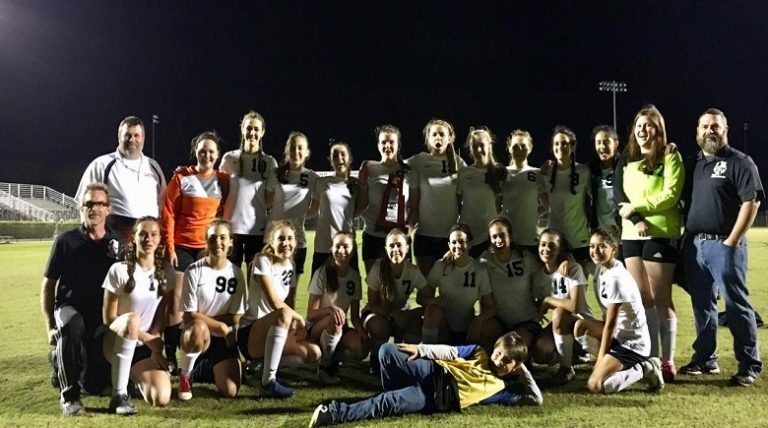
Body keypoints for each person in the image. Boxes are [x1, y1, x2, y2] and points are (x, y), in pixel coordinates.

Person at [679, 108, 763, 386]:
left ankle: (749, 364)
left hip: (724, 245)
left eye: (714, 126)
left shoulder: (740, 161)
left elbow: (752, 202)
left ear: (725, 130)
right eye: (704, 127)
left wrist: (732, 240)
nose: (709, 131)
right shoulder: (696, 164)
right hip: (695, 246)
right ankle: (706, 358)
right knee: (702, 306)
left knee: (737, 305)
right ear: (697, 133)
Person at [308, 332, 542, 427]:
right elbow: (450, 352)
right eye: (499, 353)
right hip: (433, 370)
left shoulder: (499, 390)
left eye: (507, 361)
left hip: (438, 395)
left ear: (514, 366)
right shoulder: (479, 351)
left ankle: (334, 413)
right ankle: (399, 392)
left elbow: (536, 399)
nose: (499, 360)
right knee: (386, 352)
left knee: (388, 403)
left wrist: (524, 371)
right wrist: (421, 350)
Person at [613, 105, 684, 382]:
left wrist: (636, 209)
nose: (643, 130)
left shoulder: (670, 157)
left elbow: (670, 195)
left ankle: (668, 361)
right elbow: (620, 197)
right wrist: (634, 215)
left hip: (660, 233)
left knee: (661, 297)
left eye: (649, 125)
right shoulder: (627, 159)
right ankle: (651, 357)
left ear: (659, 129)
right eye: (639, 126)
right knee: (642, 300)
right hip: (630, 235)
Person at [40, 183, 122, 416]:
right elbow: (48, 285)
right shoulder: (65, 241)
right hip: (71, 307)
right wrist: (50, 327)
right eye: (88, 204)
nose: (93, 208)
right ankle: (69, 396)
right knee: (71, 325)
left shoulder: (116, 244)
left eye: (99, 203)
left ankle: (60, 361)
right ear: (81, 208)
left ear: (108, 209)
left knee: (95, 385)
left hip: (101, 314)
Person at [161, 130, 229, 374]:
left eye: (211, 151)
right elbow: (168, 212)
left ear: (217, 155)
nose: (207, 155)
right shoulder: (182, 177)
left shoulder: (224, 179)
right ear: (195, 152)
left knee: (206, 303)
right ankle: (170, 354)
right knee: (176, 302)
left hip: (207, 249)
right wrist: (169, 247)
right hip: (181, 246)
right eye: (202, 150)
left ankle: (202, 352)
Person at [237, 220, 321, 399]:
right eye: (280, 239)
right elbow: (275, 303)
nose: (286, 243)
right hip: (251, 333)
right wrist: (298, 318)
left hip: (276, 329)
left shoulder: (291, 265)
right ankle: (268, 382)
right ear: (271, 242)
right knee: (283, 314)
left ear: (296, 243)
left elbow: (288, 302)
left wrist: (295, 327)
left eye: (290, 238)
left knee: (314, 353)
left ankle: (262, 366)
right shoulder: (262, 260)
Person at [573, 229, 664, 394]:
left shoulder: (616, 278)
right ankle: (613, 364)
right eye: (592, 246)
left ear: (613, 249)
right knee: (580, 325)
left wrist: (600, 358)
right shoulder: (603, 269)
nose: (595, 251)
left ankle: (645, 367)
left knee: (596, 385)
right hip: (619, 336)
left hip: (633, 344)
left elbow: (610, 325)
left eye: (602, 247)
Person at [99, 216, 174, 414]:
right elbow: (109, 317)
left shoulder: (165, 273)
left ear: (159, 239)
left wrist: (155, 346)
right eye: (143, 234)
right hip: (116, 340)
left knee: (161, 397)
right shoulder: (119, 270)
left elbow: (160, 316)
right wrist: (147, 338)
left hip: (143, 347)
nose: (148, 239)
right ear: (134, 238)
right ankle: (119, 396)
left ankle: (131, 378)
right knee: (132, 319)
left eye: (153, 235)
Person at [176, 219, 246, 401]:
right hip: (196, 335)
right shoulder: (194, 270)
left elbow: (236, 317)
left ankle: (203, 367)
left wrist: (209, 320)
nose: (218, 242)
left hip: (221, 341)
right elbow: (189, 314)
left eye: (223, 237)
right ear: (206, 241)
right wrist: (221, 327)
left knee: (231, 391)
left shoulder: (237, 274)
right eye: (213, 238)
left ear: (231, 241)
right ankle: (186, 375)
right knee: (199, 327)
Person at [75, 116, 166, 242]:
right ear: (119, 137)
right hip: (117, 233)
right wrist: (88, 235)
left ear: (143, 138)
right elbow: (82, 201)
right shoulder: (101, 164)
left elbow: (163, 203)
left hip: (149, 235)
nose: (131, 139)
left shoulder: (153, 167)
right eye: (127, 135)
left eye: (136, 135)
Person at [479, 217, 548, 355]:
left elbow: (548, 268)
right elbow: (464, 260)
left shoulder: (525, 258)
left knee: (512, 345)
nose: (498, 240)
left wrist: (565, 259)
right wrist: (451, 252)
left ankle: (526, 357)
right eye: (494, 237)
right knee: (481, 330)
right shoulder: (484, 260)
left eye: (502, 235)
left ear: (510, 237)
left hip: (525, 322)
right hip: (500, 322)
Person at [364, 228, 429, 373]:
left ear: (407, 247)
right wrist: (393, 315)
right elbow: (372, 303)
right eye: (391, 246)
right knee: (380, 326)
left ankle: (405, 359)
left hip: (401, 312)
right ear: (386, 249)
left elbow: (428, 298)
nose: (395, 249)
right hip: (378, 313)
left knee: (417, 325)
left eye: (399, 245)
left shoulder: (412, 270)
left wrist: (409, 315)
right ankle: (375, 360)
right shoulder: (378, 268)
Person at [306, 231, 368, 384]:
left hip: (338, 326)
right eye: (337, 246)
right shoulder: (322, 273)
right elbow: (310, 315)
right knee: (335, 320)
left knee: (361, 348)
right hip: (316, 327)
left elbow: (354, 316)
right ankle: (325, 367)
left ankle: (331, 355)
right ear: (331, 249)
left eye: (346, 247)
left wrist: (362, 331)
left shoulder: (354, 277)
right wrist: (329, 310)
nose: (341, 251)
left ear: (353, 250)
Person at [220, 111, 278, 269]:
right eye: (249, 128)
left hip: (257, 230)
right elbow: (219, 189)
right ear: (242, 129)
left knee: (255, 282)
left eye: (256, 129)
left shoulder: (270, 162)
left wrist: (255, 209)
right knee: (232, 284)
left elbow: (270, 199)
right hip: (231, 230)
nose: (252, 133)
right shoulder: (229, 158)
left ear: (262, 132)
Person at [535, 228, 593, 385]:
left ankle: (566, 368)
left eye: (552, 246)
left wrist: (548, 300)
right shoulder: (538, 275)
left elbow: (575, 307)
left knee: (559, 313)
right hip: (561, 326)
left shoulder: (573, 268)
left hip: (583, 323)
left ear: (560, 249)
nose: (546, 249)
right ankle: (570, 354)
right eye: (543, 244)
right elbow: (537, 304)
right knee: (540, 351)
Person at [407, 119, 465, 277]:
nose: (438, 138)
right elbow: (392, 166)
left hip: (450, 238)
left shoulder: (459, 163)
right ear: (428, 138)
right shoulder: (418, 161)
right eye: (434, 134)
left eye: (442, 134)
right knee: (426, 290)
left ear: (449, 138)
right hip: (425, 235)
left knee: (451, 291)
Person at [421, 223, 495, 346]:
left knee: (490, 326)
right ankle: (428, 354)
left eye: (462, 242)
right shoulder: (440, 266)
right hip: (443, 327)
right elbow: (420, 298)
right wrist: (433, 301)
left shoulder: (479, 270)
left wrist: (479, 319)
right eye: (454, 242)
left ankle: (488, 360)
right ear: (449, 245)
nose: (457, 246)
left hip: (468, 328)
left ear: (470, 244)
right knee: (431, 310)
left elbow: (490, 307)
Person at [356, 124, 416, 274]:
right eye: (383, 142)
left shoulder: (409, 171)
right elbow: (362, 203)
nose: (387, 146)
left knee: (401, 291)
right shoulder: (369, 169)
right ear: (378, 145)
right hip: (373, 237)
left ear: (398, 145)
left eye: (391, 142)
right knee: (375, 290)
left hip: (400, 239)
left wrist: (408, 230)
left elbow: (415, 207)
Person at [270, 132, 318, 286]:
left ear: (307, 152)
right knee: (271, 290)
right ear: (287, 150)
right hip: (273, 240)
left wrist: (298, 217)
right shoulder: (276, 174)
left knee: (291, 292)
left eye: (300, 148)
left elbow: (314, 209)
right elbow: (266, 202)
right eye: (292, 148)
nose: (296, 152)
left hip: (297, 240)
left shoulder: (312, 177)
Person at [544, 126, 592, 270]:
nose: (560, 147)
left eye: (565, 143)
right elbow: (542, 202)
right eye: (557, 143)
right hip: (555, 241)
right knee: (558, 288)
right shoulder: (546, 172)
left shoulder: (583, 171)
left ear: (572, 146)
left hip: (579, 238)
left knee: (579, 286)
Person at [309, 142, 360, 274]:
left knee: (348, 293)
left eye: (343, 154)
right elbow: (312, 210)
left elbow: (362, 207)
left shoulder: (355, 185)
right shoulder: (321, 183)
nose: (339, 158)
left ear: (350, 159)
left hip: (347, 248)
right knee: (318, 293)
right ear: (330, 160)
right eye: (335, 155)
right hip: (323, 246)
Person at [457, 127, 504, 257]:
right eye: (474, 146)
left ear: (489, 146)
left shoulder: (499, 172)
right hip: (468, 236)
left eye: (482, 145)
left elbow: (500, 205)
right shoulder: (464, 173)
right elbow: (457, 204)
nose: (478, 150)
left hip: (490, 237)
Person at [501, 130, 548, 252]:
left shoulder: (537, 173)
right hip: (507, 237)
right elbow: (495, 203)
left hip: (530, 236)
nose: (519, 150)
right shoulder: (502, 173)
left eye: (523, 146)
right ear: (509, 148)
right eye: (515, 146)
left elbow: (547, 204)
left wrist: (532, 213)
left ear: (530, 148)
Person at [589, 125, 621, 236]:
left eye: (606, 142)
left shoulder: (625, 167)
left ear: (616, 143)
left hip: (622, 232)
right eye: (598, 142)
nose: (602, 147)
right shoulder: (590, 171)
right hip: (600, 234)